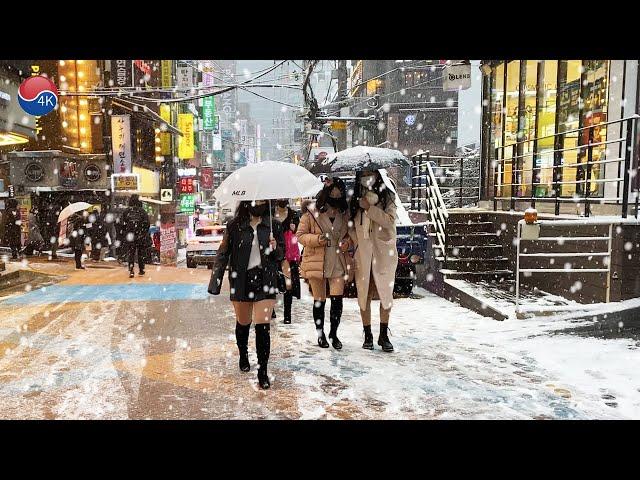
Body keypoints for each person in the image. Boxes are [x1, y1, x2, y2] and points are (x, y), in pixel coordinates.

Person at [208, 200, 284, 390]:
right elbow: (223, 253)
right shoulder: (234, 225)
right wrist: (215, 280)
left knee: (263, 326)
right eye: (255, 199)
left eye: (262, 200)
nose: (258, 203)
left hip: (265, 281)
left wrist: (276, 248)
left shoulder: (274, 225)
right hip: (241, 280)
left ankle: (263, 371)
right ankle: (243, 353)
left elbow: (282, 254)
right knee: (243, 323)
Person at [297, 178, 351, 350]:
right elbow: (300, 235)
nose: (336, 195)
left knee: (337, 299)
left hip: (337, 258)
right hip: (317, 259)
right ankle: (320, 334)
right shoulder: (312, 212)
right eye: (334, 192)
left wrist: (347, 243)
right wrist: (317, 239)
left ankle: (334, 334)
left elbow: (349, 234)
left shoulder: (344, 212)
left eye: (339, 193)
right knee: (319, 300)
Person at [349, 170, 398, 352]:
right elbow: (351, 226)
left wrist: (370, 208)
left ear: (377, 174)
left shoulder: (388, 196)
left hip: (383, 252)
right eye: (363, 173)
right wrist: (357, 241)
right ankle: (367, 333)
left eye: (370, 172)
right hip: (364, 253)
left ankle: (384, 334)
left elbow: (389, 221)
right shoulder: (355, 199)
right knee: (364, 292)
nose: (367, 176)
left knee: (386, 292)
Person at [274, 199, 301, 324]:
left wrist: (294, 229)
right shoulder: (270, 214)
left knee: (288, 284)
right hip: (273, 252)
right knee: (271, 281)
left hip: (289, 254)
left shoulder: (293, 215)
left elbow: (299, 233)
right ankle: (270, 308)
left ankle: (287, 315)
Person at [121, 195, 151, 278]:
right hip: (140, 236)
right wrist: (143, 233)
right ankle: (141, 269)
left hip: (130, 236)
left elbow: (122, 224)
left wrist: (126, 233)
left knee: (131, 253)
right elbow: (147, 224)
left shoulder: (127, 211)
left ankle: (131, 270)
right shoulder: (142, 211)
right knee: (140, 253)